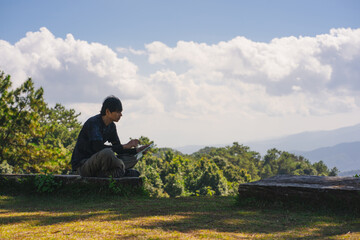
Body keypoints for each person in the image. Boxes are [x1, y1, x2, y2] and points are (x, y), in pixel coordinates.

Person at [71, 95, 149, 178]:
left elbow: (118, 149)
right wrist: (125, 146)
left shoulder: (111, 126)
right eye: (118, 112)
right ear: (108, 112)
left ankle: (114, 171)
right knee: (107, 153)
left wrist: (136, 151)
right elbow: (97, 148)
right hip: (83, 165)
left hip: (101, 164)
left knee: (132, 157)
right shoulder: (94, 123)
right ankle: (121, 171)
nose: (121, 115)